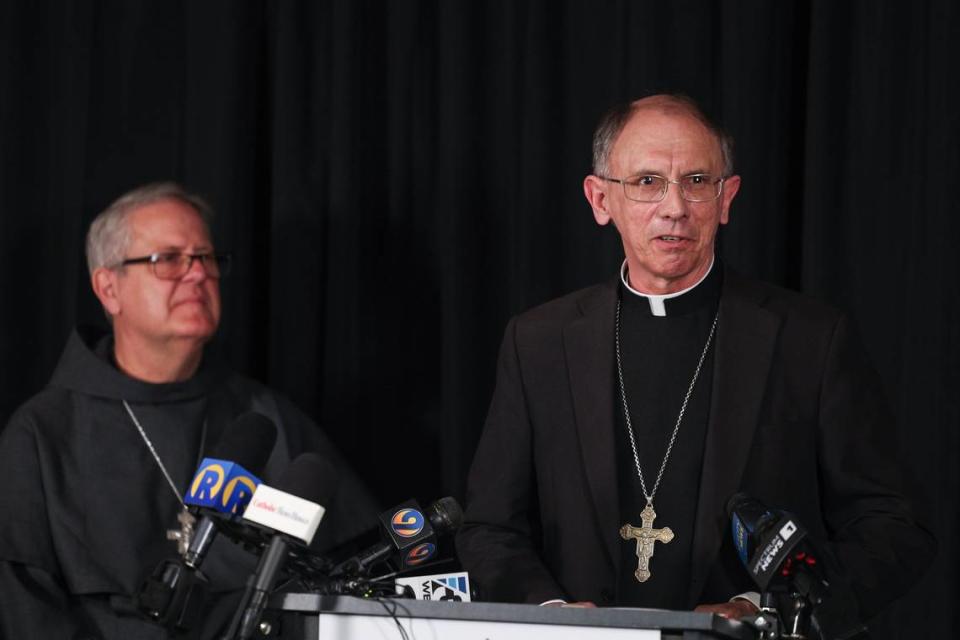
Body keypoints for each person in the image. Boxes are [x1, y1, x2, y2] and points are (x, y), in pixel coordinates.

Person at [455, 94, 935, 623]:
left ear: (727, 198)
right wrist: (553, 617)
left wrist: (765, 611)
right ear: (600, 200)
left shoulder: (810, 340)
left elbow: (893, 526)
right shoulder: (538, 342)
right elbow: (491, 527)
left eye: (698, 182)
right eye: (647, 182)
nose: (675, 207)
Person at [0, 182, 379, 638]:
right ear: (108, 288)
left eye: (205, 258)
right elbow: (26, 610)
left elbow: (350, 585)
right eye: (169, 259)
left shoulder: (266, 418)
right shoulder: (43, 434)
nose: (198, 274)